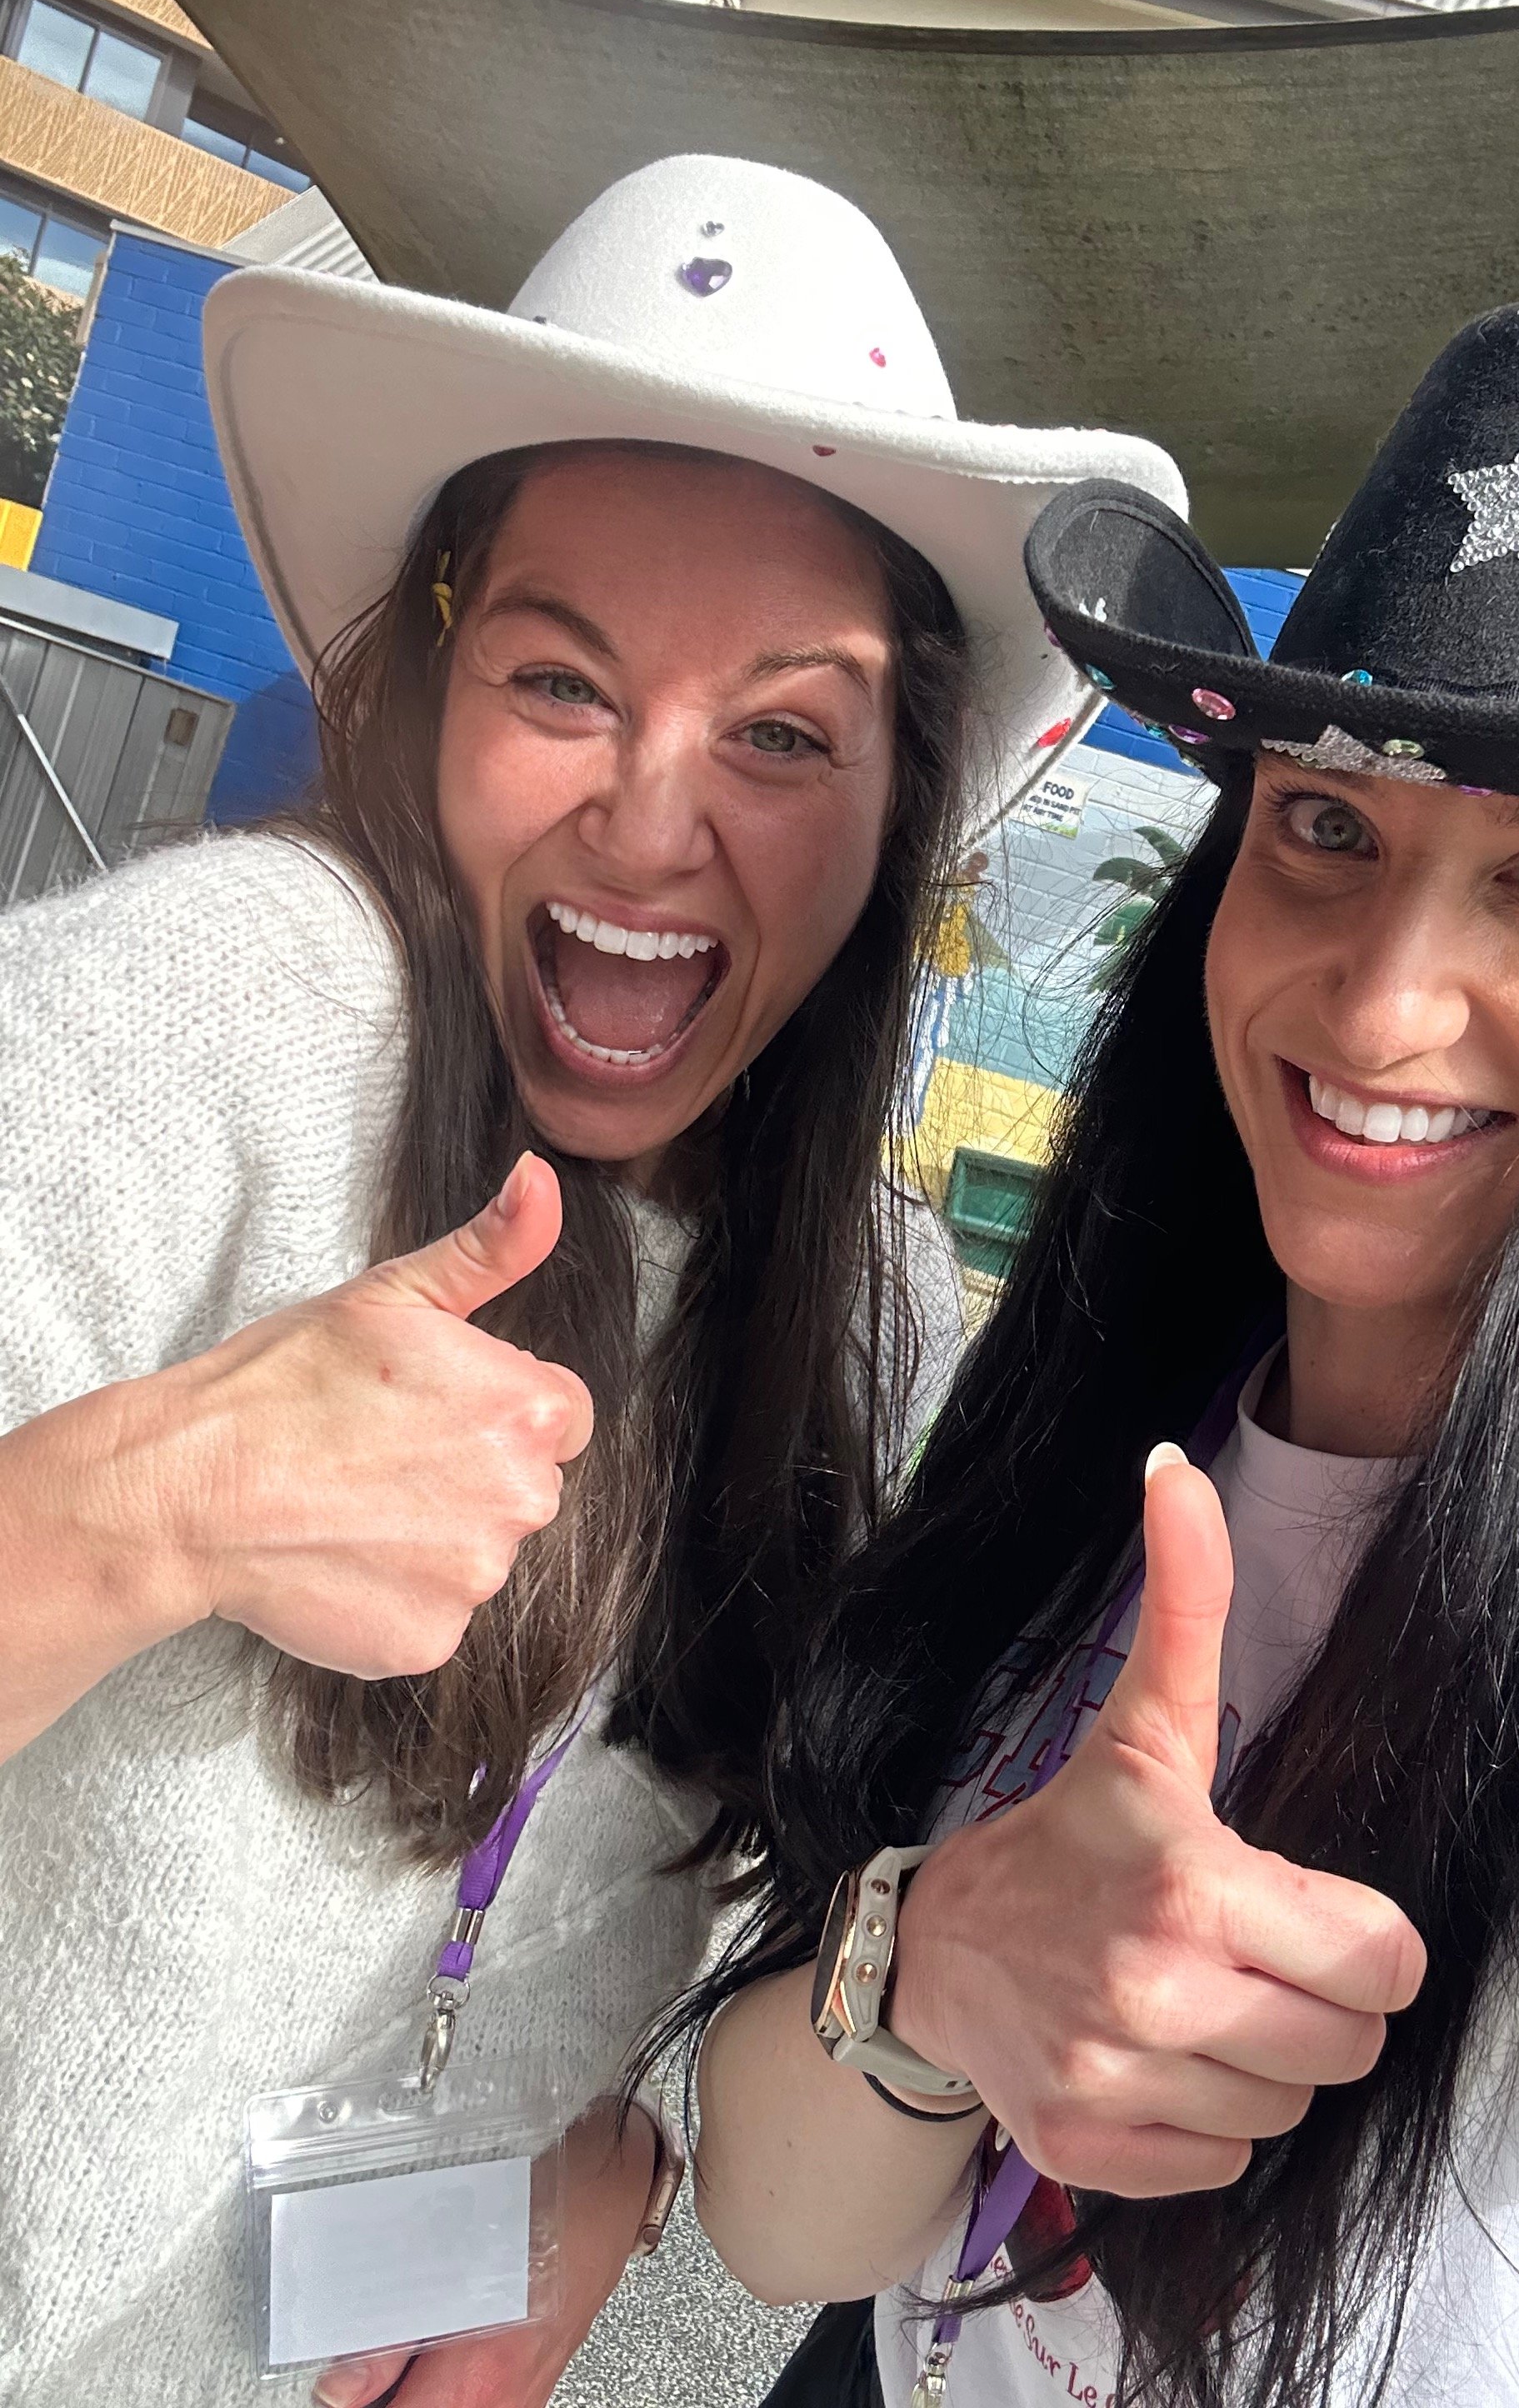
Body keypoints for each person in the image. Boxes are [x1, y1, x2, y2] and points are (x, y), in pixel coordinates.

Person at [0, 152, 1180, 2408]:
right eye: (564, 678)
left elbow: (682, 1913)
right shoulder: (210, 1022)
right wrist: (136, 1507)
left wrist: (583, 2158)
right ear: (430, 686)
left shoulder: (863, 1306)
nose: (655, 821)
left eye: (779, 732)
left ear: (898, 797)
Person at [693, 303, 1519, 2408]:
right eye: (1326, 829)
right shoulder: (1089, 1424)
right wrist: (937, 1961)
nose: (1372, 1012)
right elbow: (778, 2225)